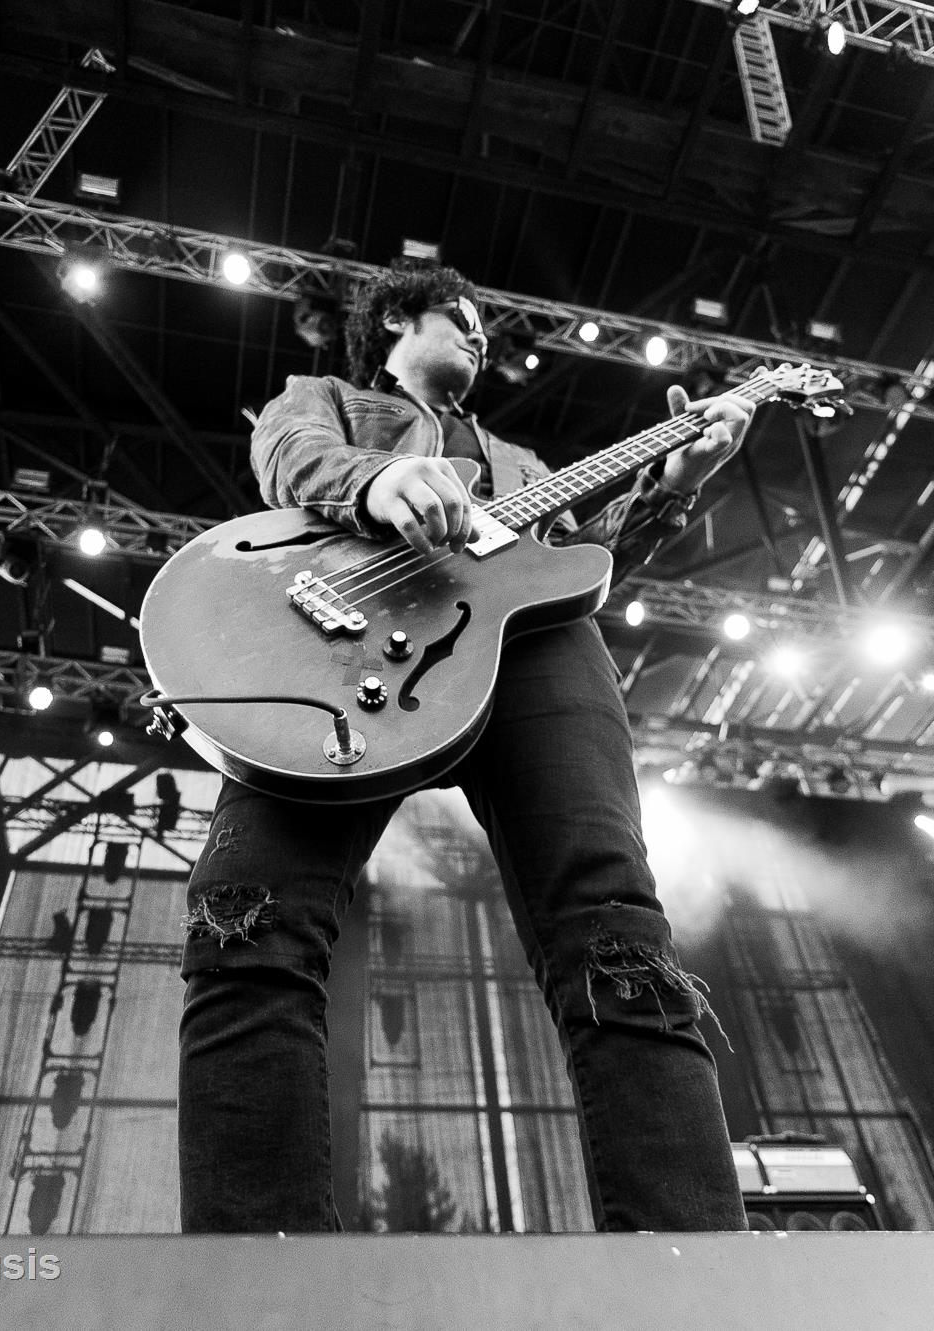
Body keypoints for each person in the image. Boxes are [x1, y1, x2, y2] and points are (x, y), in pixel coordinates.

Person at [177, 261, 756, 1233]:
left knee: (613, 923)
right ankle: (254, 1260)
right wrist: (379, 478)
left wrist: (671, 485)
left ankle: (687, 1260)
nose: (482, 337)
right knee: (250, 914)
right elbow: (287, 453)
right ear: (397, 318)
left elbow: (578, 561)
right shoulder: (327, 397)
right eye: (462, 317)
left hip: (534, 653)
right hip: (346, 651)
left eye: (487, 329)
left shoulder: (521, 462)